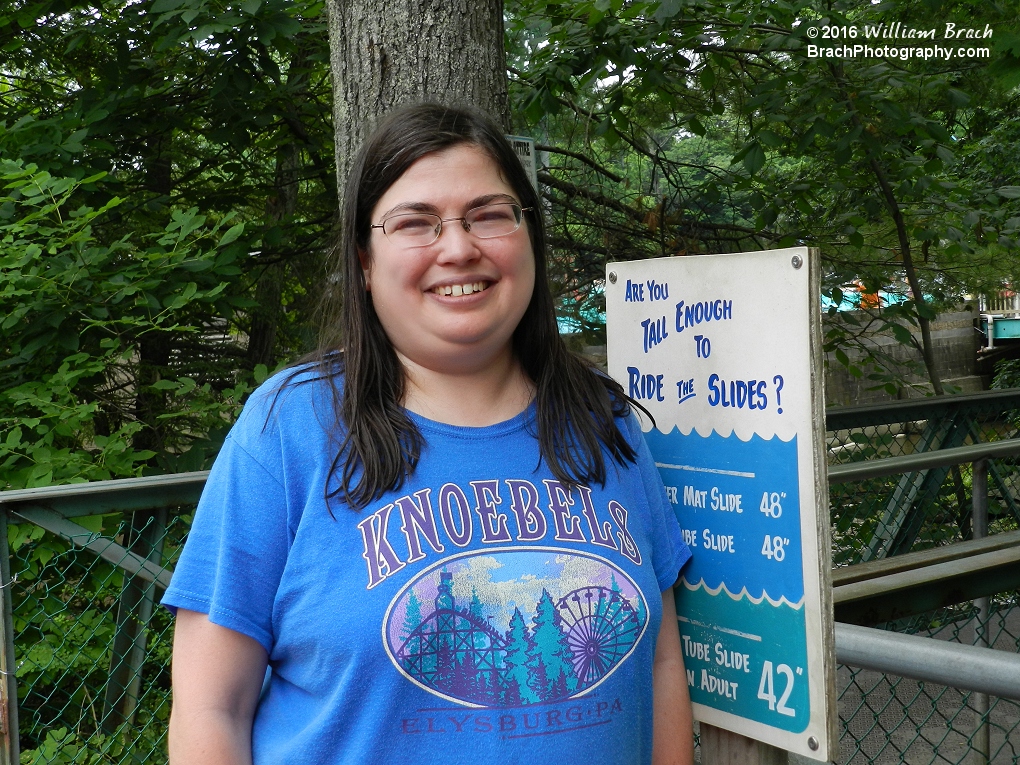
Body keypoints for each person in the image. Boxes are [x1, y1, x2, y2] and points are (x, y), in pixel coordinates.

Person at [163, 103, 693, 765]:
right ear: (363, 259)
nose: (458, 246)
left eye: (490, 213)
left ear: (529, 234)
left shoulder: (603, 421)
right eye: (416, 222)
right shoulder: (286, 430)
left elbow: (662, 662)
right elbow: (211, 708)